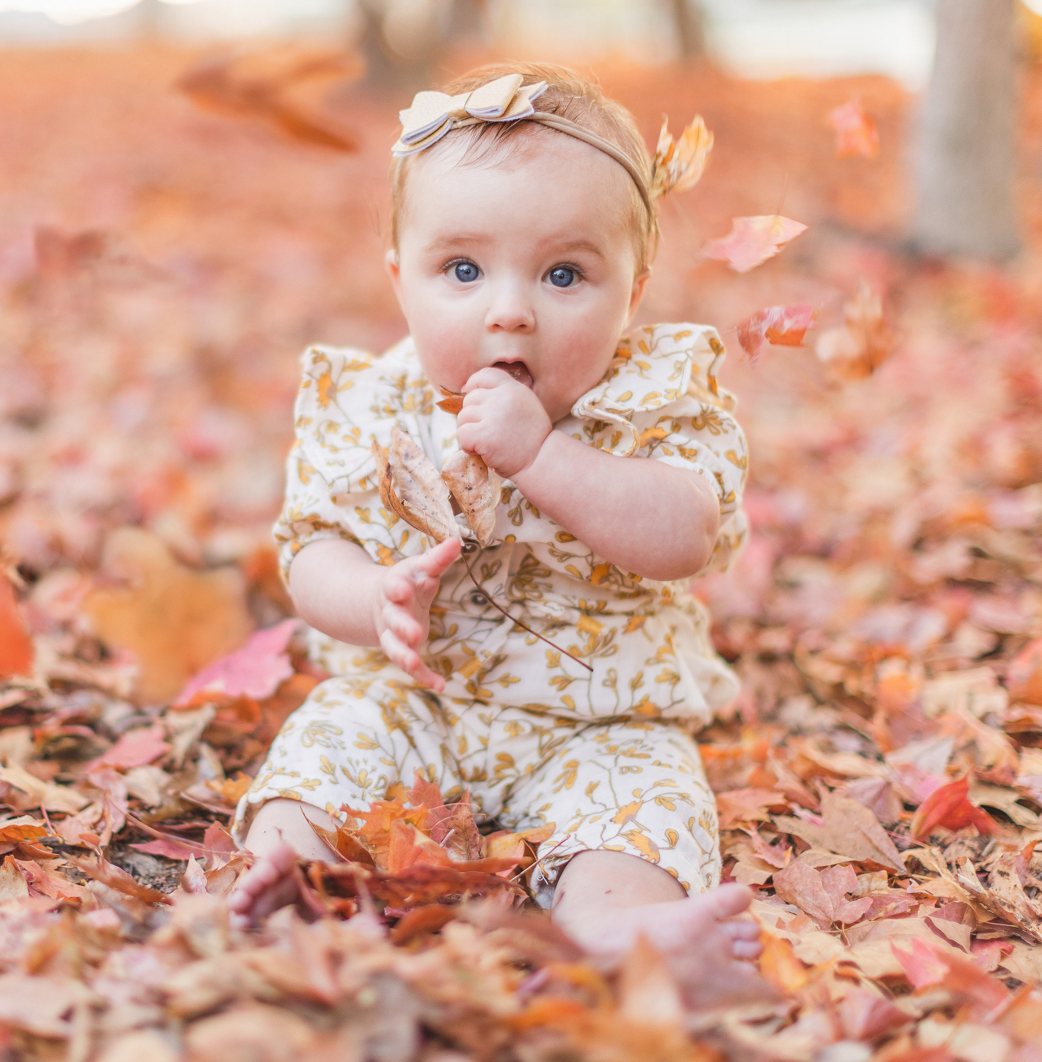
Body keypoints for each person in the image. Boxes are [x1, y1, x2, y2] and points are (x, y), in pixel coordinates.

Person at [228, 62, 775, 1008]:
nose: (509, 308)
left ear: (632, 293)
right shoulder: (373, 405)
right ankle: (292, 873)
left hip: (604, 723)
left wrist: (544, 460)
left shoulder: (653, 401)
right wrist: (370, 598)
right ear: (401, 279)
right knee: (328, 746)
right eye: (463, 270)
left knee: (640, 817)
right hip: (417, 700)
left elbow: (686, 531)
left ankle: (622, 935)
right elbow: (311, 548)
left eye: (564, 273)